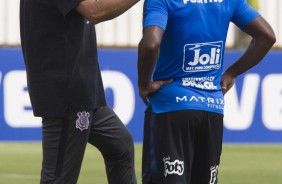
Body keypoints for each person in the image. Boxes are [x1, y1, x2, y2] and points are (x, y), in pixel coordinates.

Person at [138, 0, 276, 183]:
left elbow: (151, 44)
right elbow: (267, 36)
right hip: (212, 109)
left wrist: (144, 85)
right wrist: (231, 73)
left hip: (171, 107)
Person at [20, 0, 139, 183]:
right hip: (67, 95)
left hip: (83, 94)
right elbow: (94, 11)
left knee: (121, 146)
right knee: (58, 178)